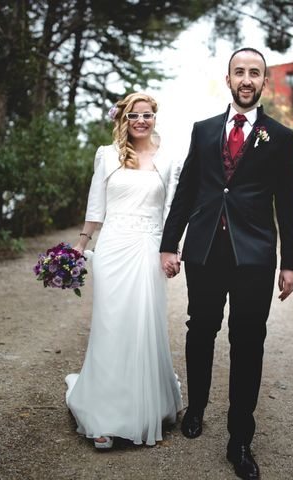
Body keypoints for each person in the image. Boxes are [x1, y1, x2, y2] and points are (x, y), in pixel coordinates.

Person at [160, 48, 293, 479]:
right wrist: (170, 244)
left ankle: (240, 438)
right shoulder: (202, 131)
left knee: (248, 342)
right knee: (200, 329)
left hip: (255, 256)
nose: (246, 79)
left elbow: (288, 204)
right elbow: (186, 192)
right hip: (204, 250)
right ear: (228, 79)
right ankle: (197, 408)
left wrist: (290, 262)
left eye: (254, 73)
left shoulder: (279, 136)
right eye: (239, 71)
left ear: (263, 82)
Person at [65, 92, 183, 449]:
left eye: (148, 115)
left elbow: (171, 213)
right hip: (113, 250)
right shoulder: (107, 155)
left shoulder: (168, 161)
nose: (142, 121)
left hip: (148, 251)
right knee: (110, 325)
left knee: (142, 325)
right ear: (124, 119)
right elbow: (96, 206)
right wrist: (81, 244)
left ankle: (145, 404)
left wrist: (172, 252)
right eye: (135, 115)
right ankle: (102, 414)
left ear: (155, 118)